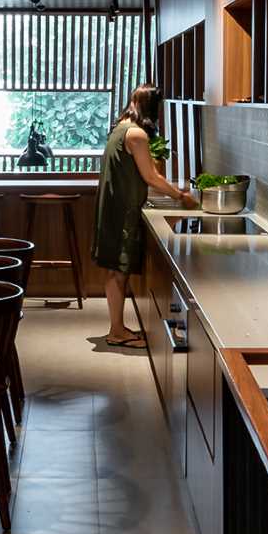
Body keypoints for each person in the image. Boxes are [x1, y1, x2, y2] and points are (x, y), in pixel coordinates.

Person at [90, 82, 195, 349]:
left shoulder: (121, 126)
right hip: (123, 210)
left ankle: (117, 327)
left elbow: (147, 174)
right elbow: (150, 177)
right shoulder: (136, 134)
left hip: (113, 207)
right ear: (152, 108)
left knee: (115, 270)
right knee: (118, 272)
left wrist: (174, 190)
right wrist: (180, 196)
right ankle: (116, 332)